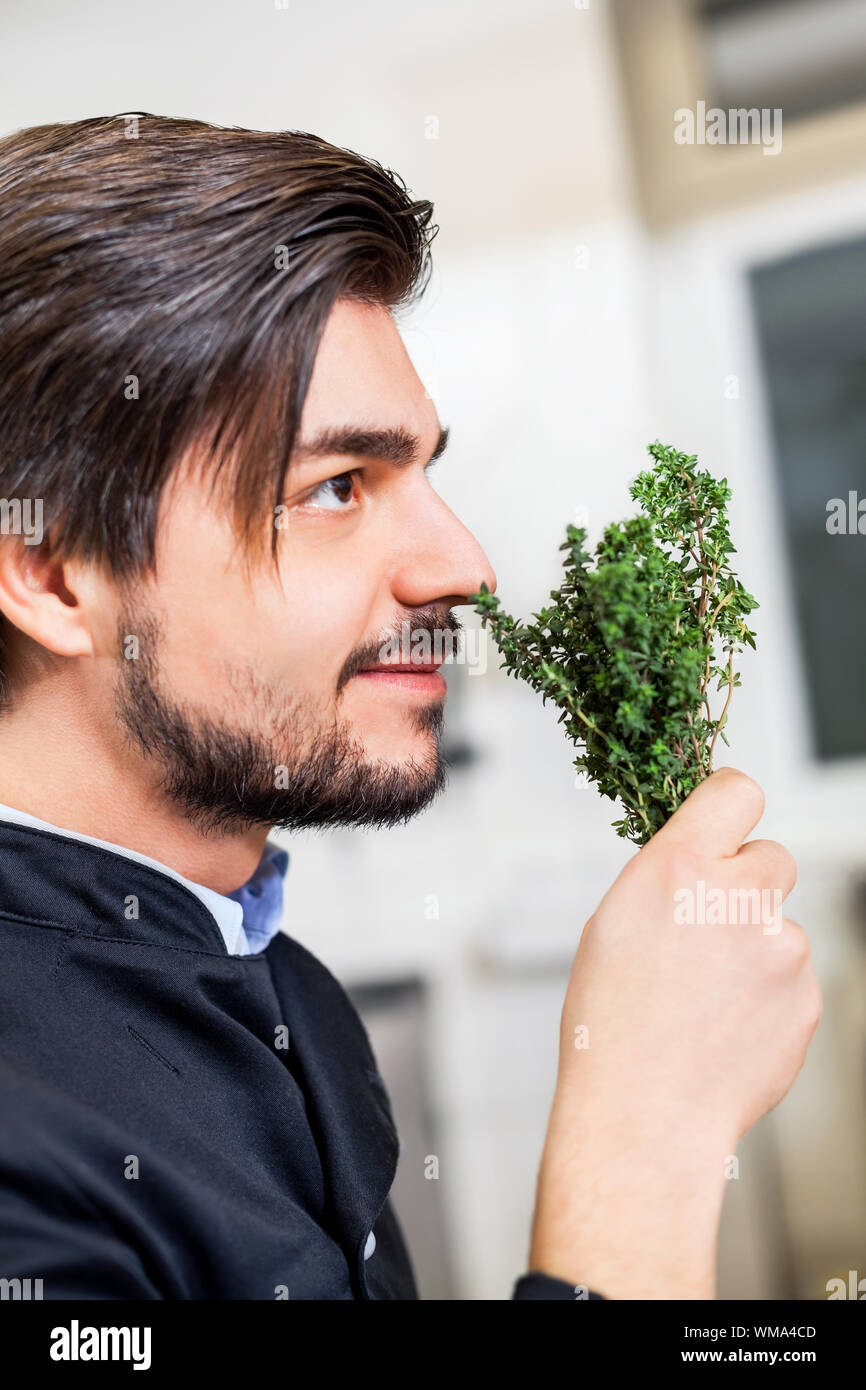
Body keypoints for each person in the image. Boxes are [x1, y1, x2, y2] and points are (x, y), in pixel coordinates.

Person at [0, 114, 821, 1301]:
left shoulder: (290, 995)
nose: (464, 565)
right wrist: (643, 1142)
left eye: (422, 473)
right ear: (54, 571)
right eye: (337, 486)